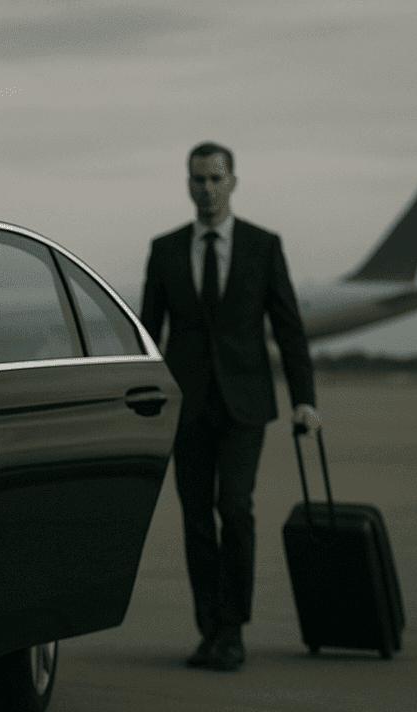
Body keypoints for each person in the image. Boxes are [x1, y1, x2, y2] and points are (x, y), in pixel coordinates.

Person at [140, 141, 319, 671]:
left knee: (235, 509)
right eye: (198, 179)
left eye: (216, 179)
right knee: (196, 517)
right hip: (187, 403)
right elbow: (150, 332)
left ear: (233, 182)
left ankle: (234, 628)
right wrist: (141, 396)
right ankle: (209, 630)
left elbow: (288, 326)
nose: (207, 189)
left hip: (245, 403)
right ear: (188, 183)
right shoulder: (166, 248)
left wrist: (305, 399)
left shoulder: (264, 245)